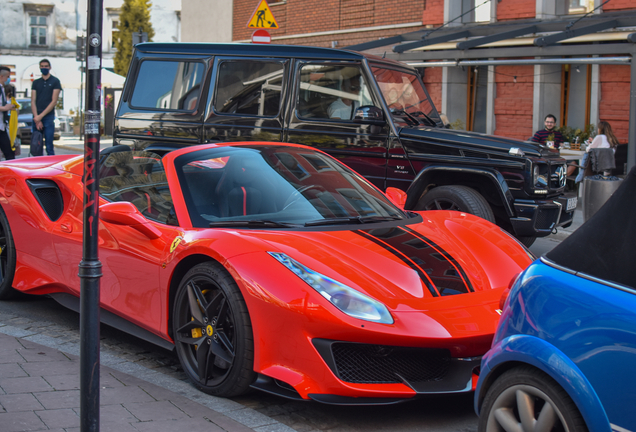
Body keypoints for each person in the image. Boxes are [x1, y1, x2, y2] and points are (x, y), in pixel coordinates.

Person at [31, 59, 61, 156]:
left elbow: (54, 101)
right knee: (36, 143)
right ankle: (37, 165)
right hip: (36, 116)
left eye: (46, 66)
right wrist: (37, 118)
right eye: (42, 66)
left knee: (49, 144)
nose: (44, 68)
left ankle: (51, 166)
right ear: (40, 67)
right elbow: (33, 100)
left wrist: (40, 116)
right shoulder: (36, 82)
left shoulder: (55, 81)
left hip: (48, 116)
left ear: (50, 67)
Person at [0, 66, 16, 160]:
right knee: (9, 154)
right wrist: (5, 108)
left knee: (9, 154)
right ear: (2, 76)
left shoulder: (2, 88)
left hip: (2, 126)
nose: (8, 79)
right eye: (8, 77)